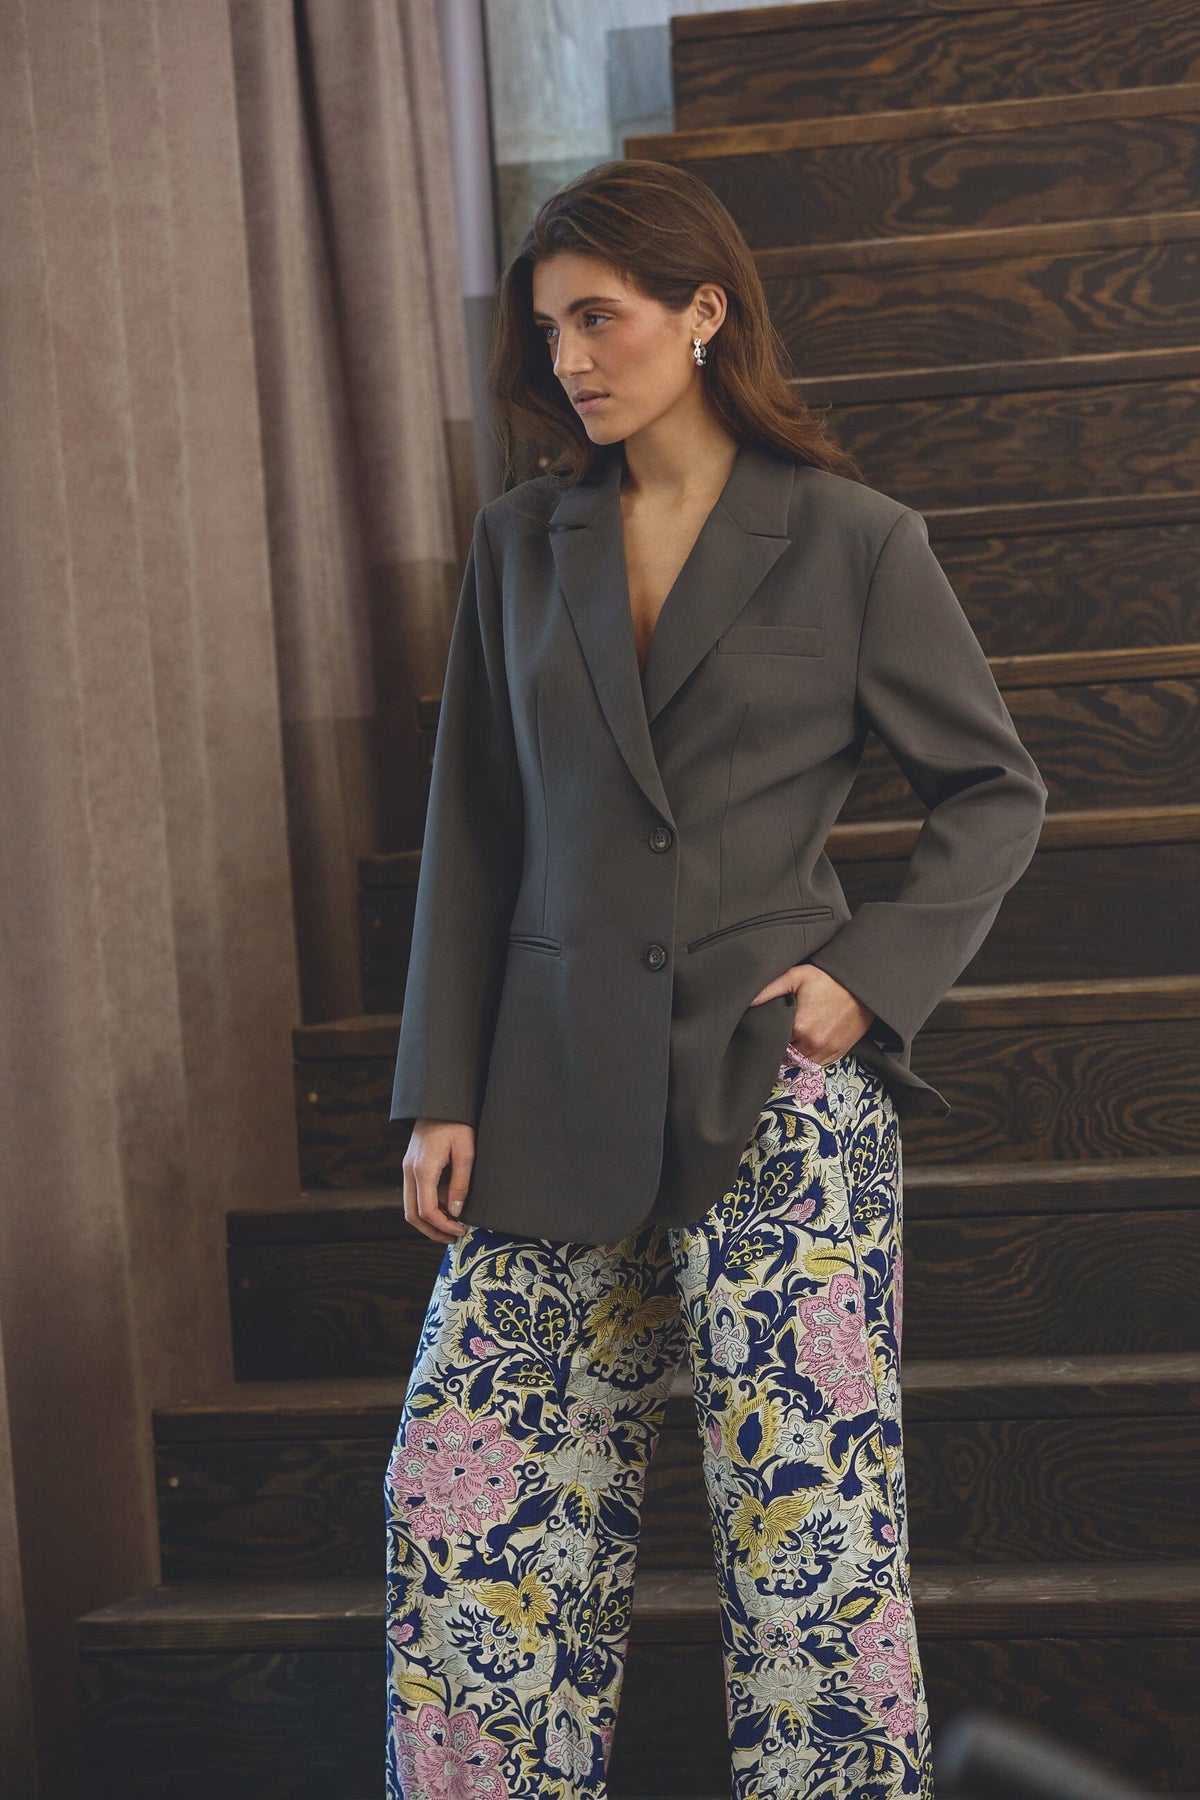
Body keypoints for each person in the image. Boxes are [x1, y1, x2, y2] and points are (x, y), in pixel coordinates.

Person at [384, 160, 1047, 1800]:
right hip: (546, 1090)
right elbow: (475, 827)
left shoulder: (854, 540)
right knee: (465, 1516)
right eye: (548, 331)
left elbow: (994, 792)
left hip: (775, 1096)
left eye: (598, 319)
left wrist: (864, 982)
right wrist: (440, 1089)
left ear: (702, 313)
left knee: (810, 1543)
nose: (569, 360)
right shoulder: (520, 545)